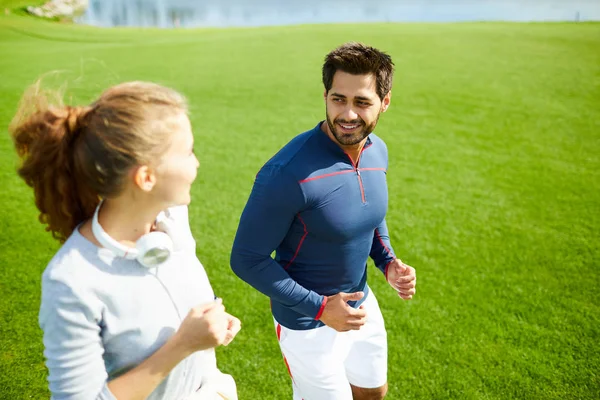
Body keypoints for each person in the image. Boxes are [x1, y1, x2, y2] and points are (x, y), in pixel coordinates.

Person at [9, 80, 241, 399]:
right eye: (188, 152)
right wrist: (184, 344)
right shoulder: (72, 282)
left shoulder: (171, 219)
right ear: (146, 178)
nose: (196, 163)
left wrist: (209, 325)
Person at [230, 42, 417, 400]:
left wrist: (387, 261)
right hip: (306, 327)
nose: (348, 114)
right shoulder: (287, 173)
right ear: (326, 95)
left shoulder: (377, 151)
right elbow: (246, 259)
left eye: (361, 102)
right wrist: (319, 308)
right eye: (338, 99)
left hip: (361, 306)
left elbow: (368, 215)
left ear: (385, 101)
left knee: (373, 393)